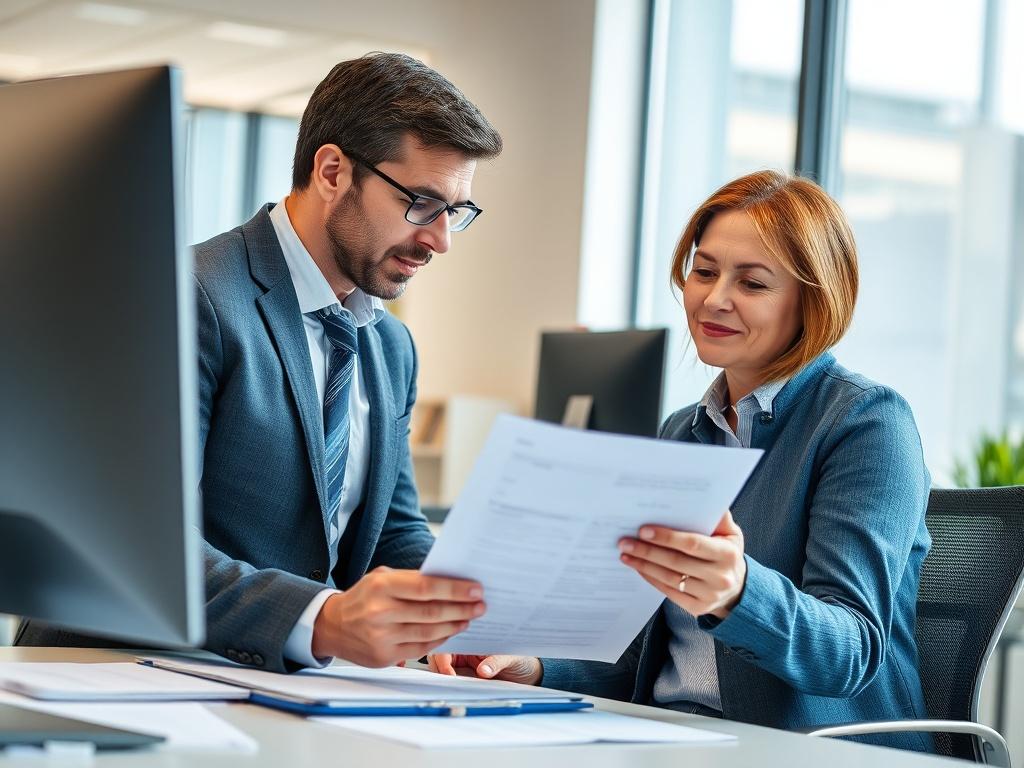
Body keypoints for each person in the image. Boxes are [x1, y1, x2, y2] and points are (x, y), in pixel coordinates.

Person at [18, 52, 503, 673]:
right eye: (422, 204)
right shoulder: (184, 295)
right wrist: (322, 619)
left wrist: (464, 614)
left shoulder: (388, 346)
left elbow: (391, 534)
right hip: (122, 680)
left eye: (456, 212)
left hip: (279, 696)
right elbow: (137, 550)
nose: (440, 239)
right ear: (332, 171)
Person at [430, 171, 933, 753]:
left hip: (806, 749)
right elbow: (649, 661)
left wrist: (738, 593)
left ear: (812, 301)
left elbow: (849, 654)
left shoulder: (866, 423)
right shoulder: (684, 433)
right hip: (672, 738)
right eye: (705, 270)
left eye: (753, 283)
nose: (715, 298)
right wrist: (533, 667)